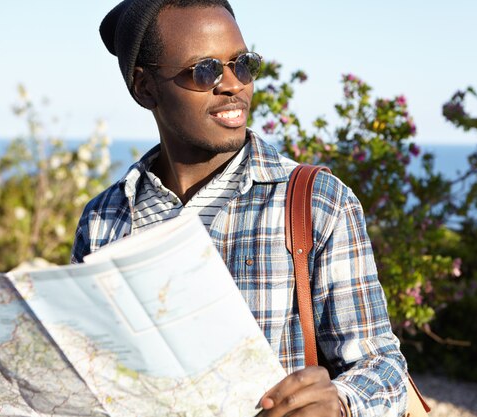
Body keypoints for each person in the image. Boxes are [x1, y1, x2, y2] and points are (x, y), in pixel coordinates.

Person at [72, 0, 408, 415]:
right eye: (206, 70)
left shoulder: (317, 202)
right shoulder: (104, 220)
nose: (234, 84)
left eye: (243, 64)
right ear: (145, 87)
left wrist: (339, 403)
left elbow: (382, 365)